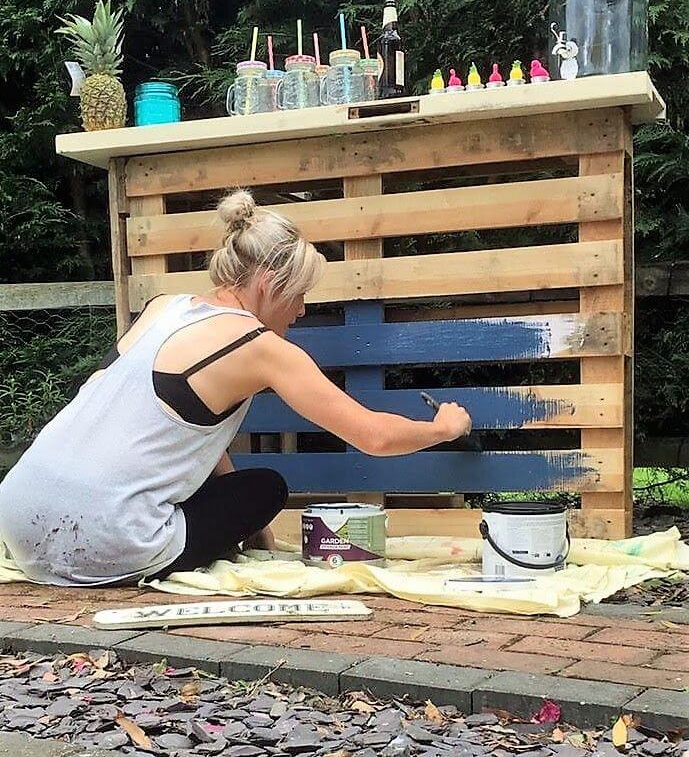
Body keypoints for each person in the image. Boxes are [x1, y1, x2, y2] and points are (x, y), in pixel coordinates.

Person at [0, 190, 472, 586]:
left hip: (19, 520)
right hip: (102, 541)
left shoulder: (164, 307)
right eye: (300, 294)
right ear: (268, 283)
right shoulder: (260, 346)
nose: (302, 310)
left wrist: (250, 527)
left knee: (238, 493)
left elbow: (180, 428)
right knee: (264, 489)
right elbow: (374, 436)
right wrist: (443, 429)